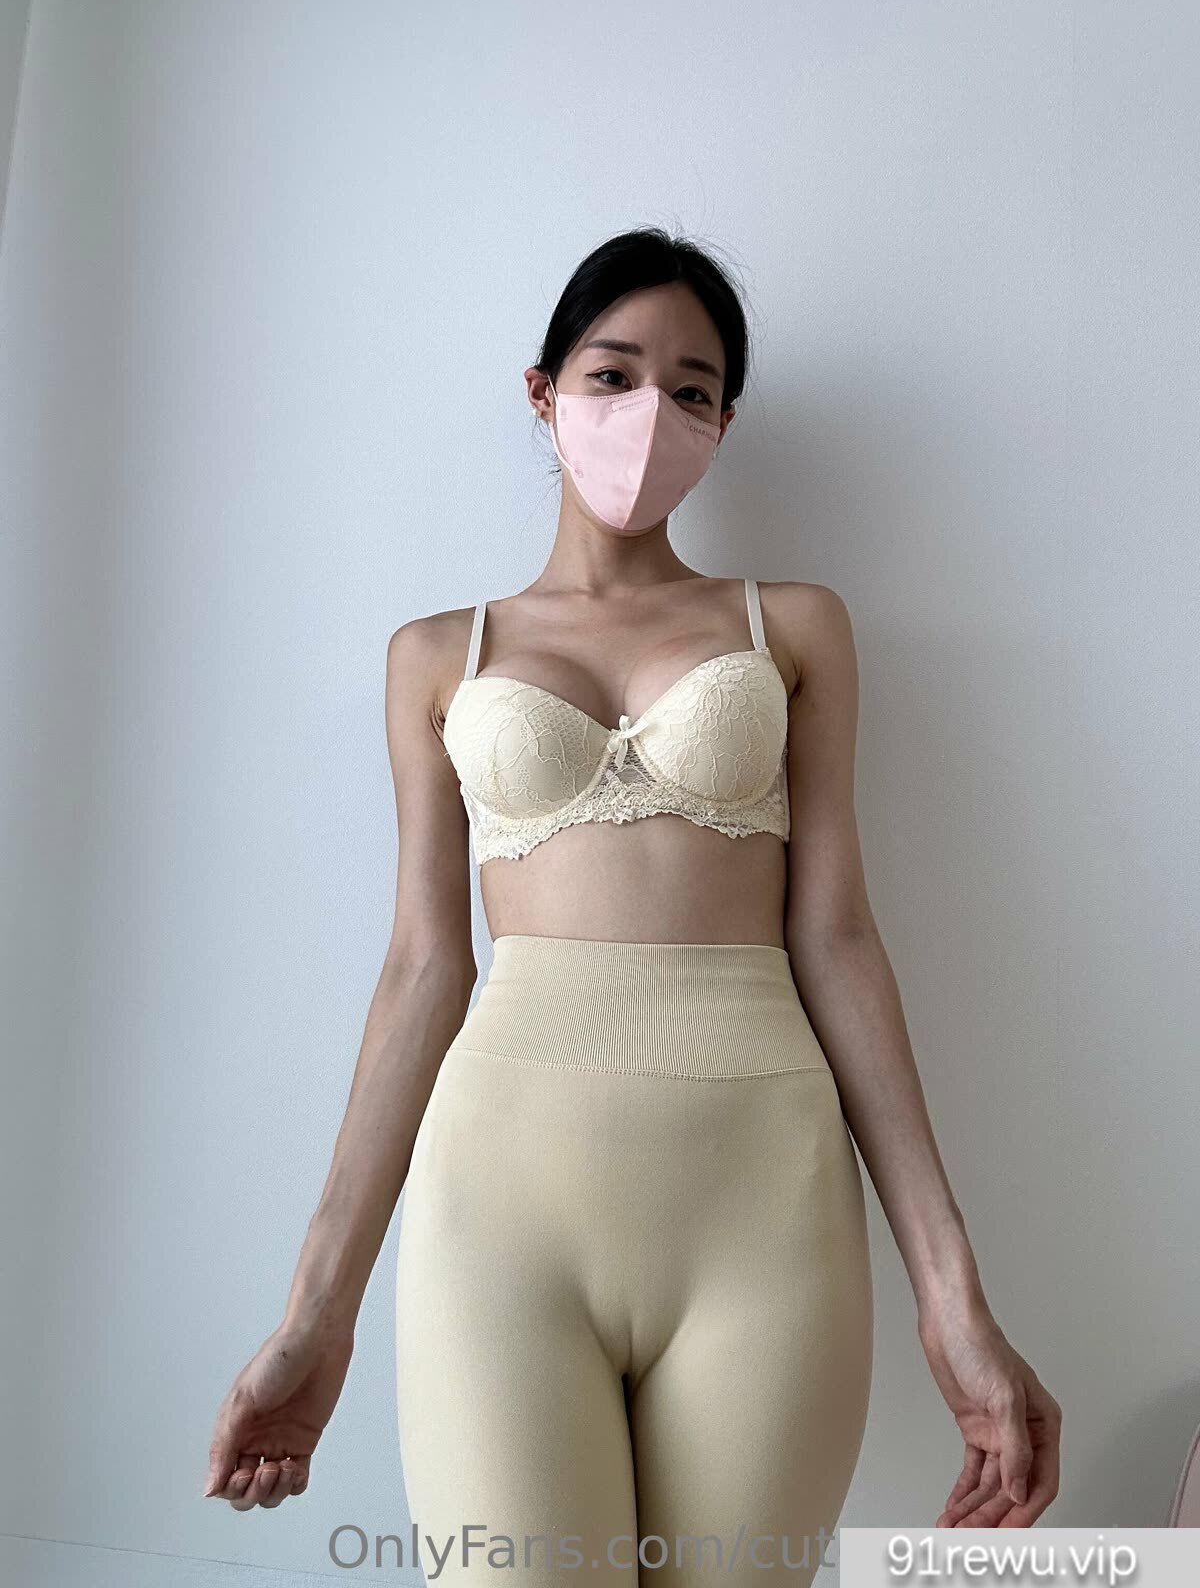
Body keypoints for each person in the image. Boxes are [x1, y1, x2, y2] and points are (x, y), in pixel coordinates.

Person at [204, 227, 1061, 1581]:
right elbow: (425, 968)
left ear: (723, 425)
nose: (648, 413)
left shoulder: (795, 629)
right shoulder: (435, 655)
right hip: (501, 1211)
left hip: (765, 1210)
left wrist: (956, 1303)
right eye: (612, 373)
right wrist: (318, 1312)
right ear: (543, 390)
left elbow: (837, 938)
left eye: (692, 388)